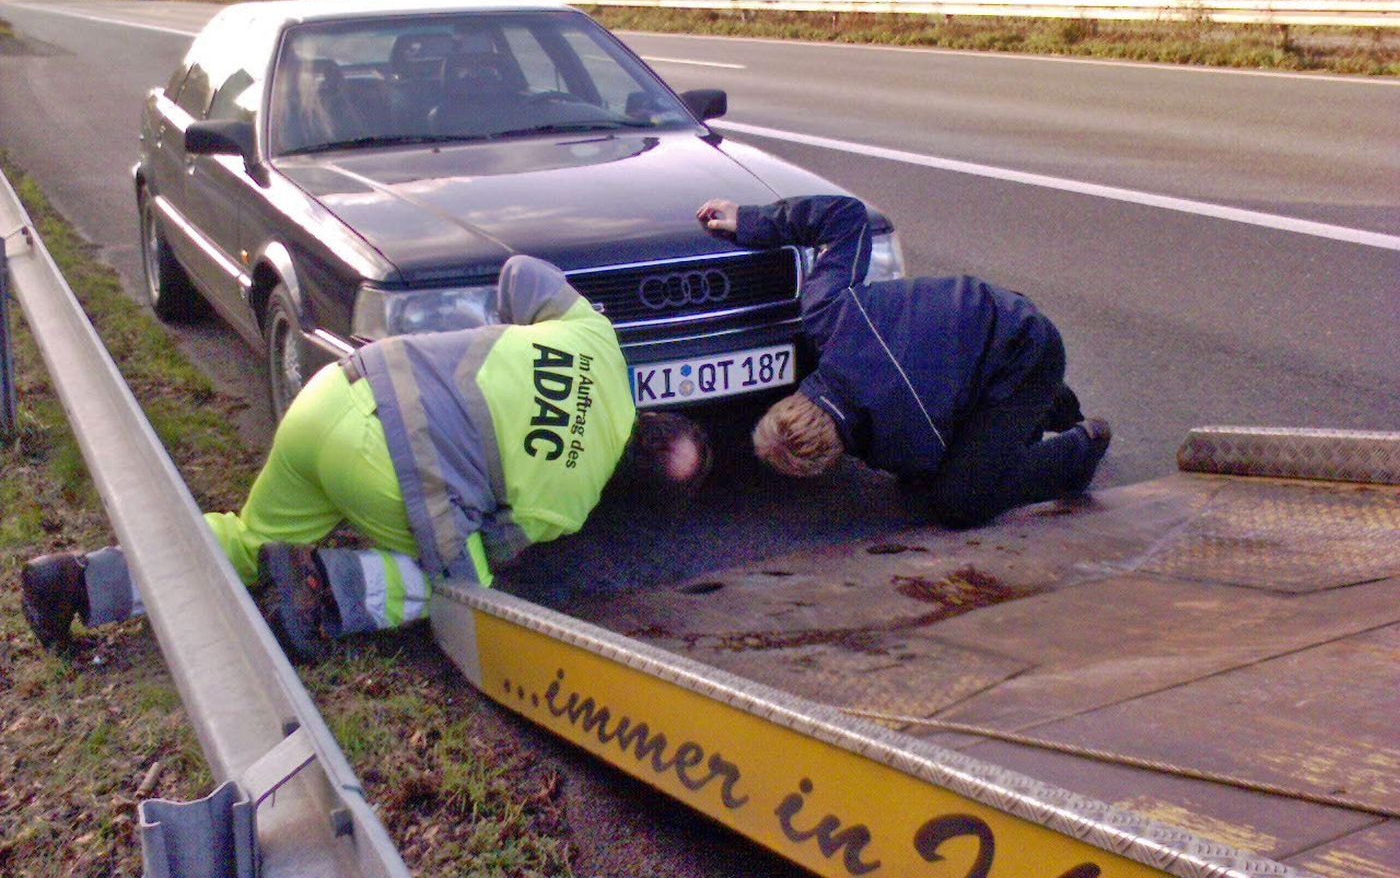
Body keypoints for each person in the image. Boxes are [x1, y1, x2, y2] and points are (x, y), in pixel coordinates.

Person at [21, 255, 711, 660]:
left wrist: (512, 347)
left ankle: (80, 583)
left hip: (336, 393)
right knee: (459, 586)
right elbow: (477, 543)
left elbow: (520, 274)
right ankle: (323, 590)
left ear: (654, 413)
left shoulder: (596, 339)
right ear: (635, 490)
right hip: (385, 469)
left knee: (253, 535)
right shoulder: (571, 504)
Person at [697, 195, 1110, 529]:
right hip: (994, 309)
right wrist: (750, 220)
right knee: (955, 452)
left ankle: (1081, 446)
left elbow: (927, 463)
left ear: (831, 458)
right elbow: (846, 216)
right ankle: (1047, 406)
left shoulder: (908, 437)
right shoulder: (827, 316)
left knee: (961, 500)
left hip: (1027, 356)